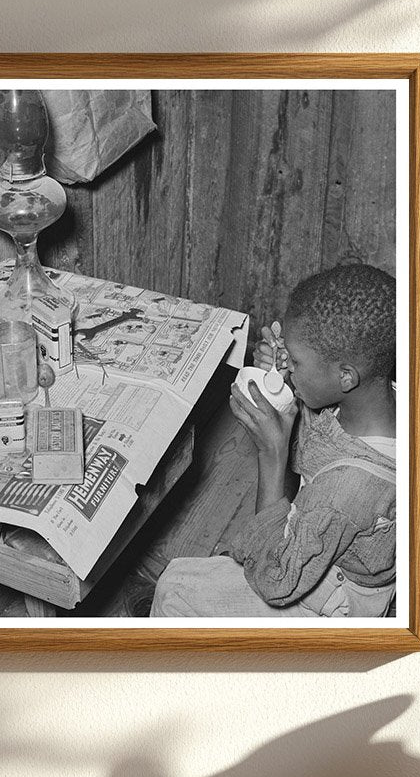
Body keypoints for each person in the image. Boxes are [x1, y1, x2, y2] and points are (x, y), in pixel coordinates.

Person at [150, 263, 397, 619]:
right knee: (202, 573)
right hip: (327, 548)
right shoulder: (380, 402)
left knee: (175, 589)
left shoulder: (346, 491)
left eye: (294, 360)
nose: (287, 364)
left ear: (345, 376)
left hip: (329, 598)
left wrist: (272, 451)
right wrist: (286, 378)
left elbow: (276, 580)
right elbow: (325, 446)